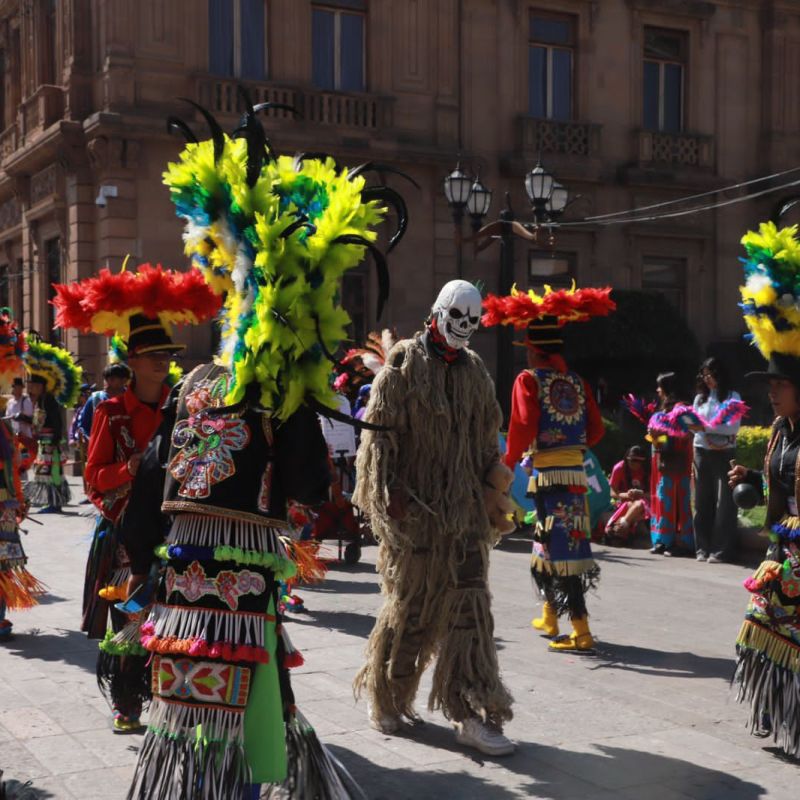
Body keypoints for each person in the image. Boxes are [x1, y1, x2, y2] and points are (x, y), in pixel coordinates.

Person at [123, 96, 408, 798]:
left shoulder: (191, 387)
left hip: (180, 602)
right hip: (243, 603)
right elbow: (313, 488)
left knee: (184, 726)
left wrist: (141, 584)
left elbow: (142, 506)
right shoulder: (282, 399)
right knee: (249, 732)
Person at [54, 265, 222, 735]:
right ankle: (127, 702)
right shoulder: (110, 411)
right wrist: (130, 470)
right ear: (133, 360)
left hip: (176, 528)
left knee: (179, 616)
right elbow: (93, 478)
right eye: (152, 355)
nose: (161, 362)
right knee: (130, 619)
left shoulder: (186, 409)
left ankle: (173, 698)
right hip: (127, 533)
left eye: (166, 354)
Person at [354, 279, 516, 755]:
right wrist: (389, 495)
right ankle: (388, 694)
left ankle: (470, 709)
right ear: (438, 312)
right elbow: (377, 441)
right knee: (412, 612)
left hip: (464, 515)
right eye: (457, 318)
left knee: (471, 611)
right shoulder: (402, 367)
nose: (464, 329)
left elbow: (487, 435)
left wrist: (493, 481)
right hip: (416, 517)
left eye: (473, 321)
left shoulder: (475, 372)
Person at [484, 284, 614, 652]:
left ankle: (581, 630)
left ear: (533, 350)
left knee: (564, 549)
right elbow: (597, 429)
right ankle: (550, 613)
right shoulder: (575, 381)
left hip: (546, 474)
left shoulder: (528, 380)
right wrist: (571, 446)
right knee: (546, 541)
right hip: (572, 473)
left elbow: (522, 427)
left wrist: (506, 465)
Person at [728, 221, 800, 758]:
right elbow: (782, 481)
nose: (772, 395)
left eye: (779, 386)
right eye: (770, 386)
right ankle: (772, 710)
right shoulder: (779, 431)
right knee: (761, 627)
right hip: (781, 546)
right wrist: (751, 479)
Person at [0, 312, 42, 640]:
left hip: (4, 504)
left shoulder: (4, 424)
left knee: (3, 558)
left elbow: (12, 464)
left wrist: (17, 499)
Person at [22, 338, 82, 513]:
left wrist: (55, 439)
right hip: (45, 441)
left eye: (34, 385)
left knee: (52, 472)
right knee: (46, 472)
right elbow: (38, 422)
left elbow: (55, 421)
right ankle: (52, 502)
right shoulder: (41, 400)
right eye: (30, 385)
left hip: (51, 443)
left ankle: (55, 503)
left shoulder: (49, 400)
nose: (31, 388)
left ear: (42, 386)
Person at [692, 357, 742, 563]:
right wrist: (706, 429)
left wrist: (705, 428)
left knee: (725, 502)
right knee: (702, 500)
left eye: (711, 374)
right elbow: (694, 425)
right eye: (704, 375)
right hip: (701, 450)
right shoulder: (699, 399)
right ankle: (701, 547)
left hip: (724, 453)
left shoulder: (733, 397)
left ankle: (721, 550)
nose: (708, 379)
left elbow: (732, 427)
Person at [649, 372, 696, 556]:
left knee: (680, 501)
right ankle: (663, 540)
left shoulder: (683, 409)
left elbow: (687, 434)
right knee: (665, 499)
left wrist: (661, 434)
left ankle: (684, 542)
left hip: (680, 461)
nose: (658, 390)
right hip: (666, 461)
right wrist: (655, 437)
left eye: (660, 386)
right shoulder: (666, 409)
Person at [605, 444, 650, 545]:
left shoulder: (648, 469)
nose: (636, 464)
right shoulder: (619, 468)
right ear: (627, 458)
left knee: (640, 503)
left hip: (647, 505)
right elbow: (612, 493)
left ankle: (621, 525)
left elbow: (655, 494)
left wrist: (642, 494)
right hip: (626, 503)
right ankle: (623, 528)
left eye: (640, 461)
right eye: (633, 460)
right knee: (635, 504)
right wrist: (627, 495)